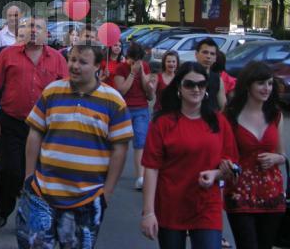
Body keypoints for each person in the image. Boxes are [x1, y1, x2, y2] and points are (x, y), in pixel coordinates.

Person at [16, 43, 132, 249]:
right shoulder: (52, 92)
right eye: (72, 60)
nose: (75, 66)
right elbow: (35, 133)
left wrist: (108, 191)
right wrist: (28, 177)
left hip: (88, 198)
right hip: (43, 192)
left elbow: (120, 149)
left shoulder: (114, 101)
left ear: (98, 67)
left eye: (82, 62)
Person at [140, 62, 238, 249]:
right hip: (171, 205)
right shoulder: (163, 123)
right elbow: (151, 168)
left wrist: (216, 174)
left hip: (206, 205)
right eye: (189, 84)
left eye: (201, 85)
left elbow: (232, 163)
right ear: (179, 87)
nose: (196, 89)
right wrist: (148, 212)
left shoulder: (218, 122)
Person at [0, 15, 68, 229]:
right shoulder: (8, 55)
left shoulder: (57, 59)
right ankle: (4, 209)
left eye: (38, 27)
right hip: (11, 122)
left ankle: (31, 214)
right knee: (9, 170)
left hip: (44, 127)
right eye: (30, 26)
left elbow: (66, 91)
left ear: (46, 34)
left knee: (36, 174)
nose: (33, 30)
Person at [223, 62, 286, 249]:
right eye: (261, 83)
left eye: (269, 83)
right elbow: (222, 152)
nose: (266, 88)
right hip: (240, 192)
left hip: (272, 193)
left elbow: (282, 154)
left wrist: (277, 158)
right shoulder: (231, 115)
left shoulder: (275, 114)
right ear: (248, 85)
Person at [114, 43, 156, 190]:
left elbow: (148, 92)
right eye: (133, 61)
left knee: (140, 142)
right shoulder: (121, 68)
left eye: (138, 61)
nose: (135, 64)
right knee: (121, 143)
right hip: (124, 109)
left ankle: (140, 177)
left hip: (141, 109)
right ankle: (114, 173)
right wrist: (132, 73)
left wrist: (143, 74)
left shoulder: (144, 66)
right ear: (128, 58)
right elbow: (122, 91)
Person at [195, 37, 227, 110]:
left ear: (215, 58)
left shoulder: (218, 79)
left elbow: (223, 106)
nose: (208, 56)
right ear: (196, 54)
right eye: (205, 52)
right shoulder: (186, 75)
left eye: (212, 54)